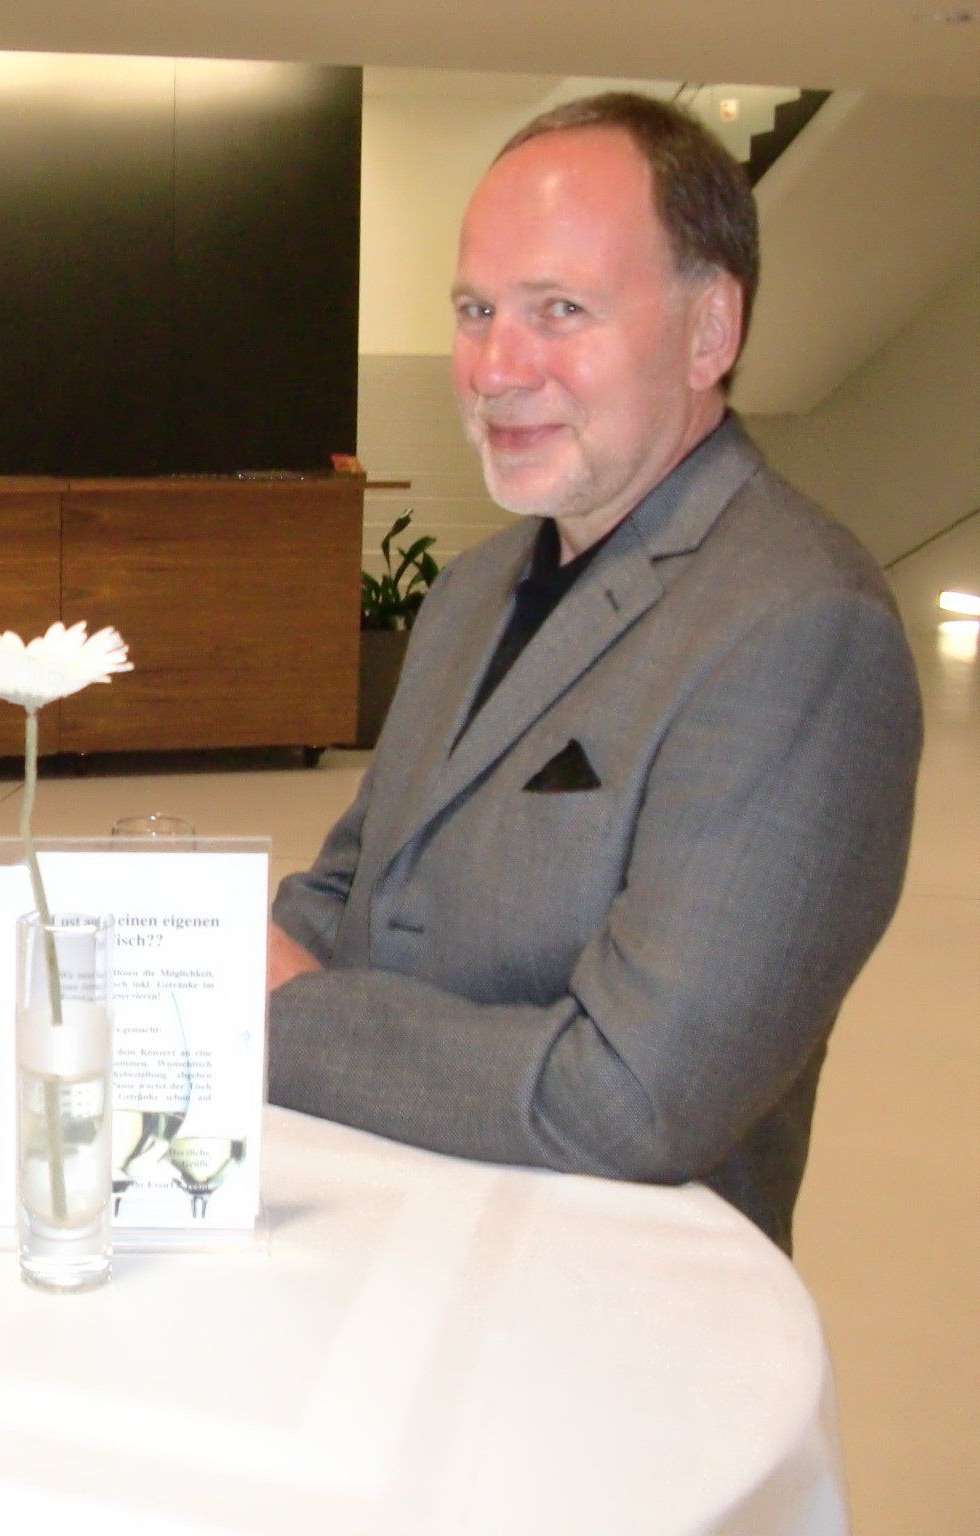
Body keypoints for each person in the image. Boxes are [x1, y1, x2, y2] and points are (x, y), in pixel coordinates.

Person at [265, 93, 923, 1253]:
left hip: (598, 1296)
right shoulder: (471, 592)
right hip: (380, 1238)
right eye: (474, 311)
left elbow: (631, 1101)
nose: (493, 368)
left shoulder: (799, 628)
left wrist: (286, 1020)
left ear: (709, 331)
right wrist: (68, 994)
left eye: (558, 311)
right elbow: (346, 894)